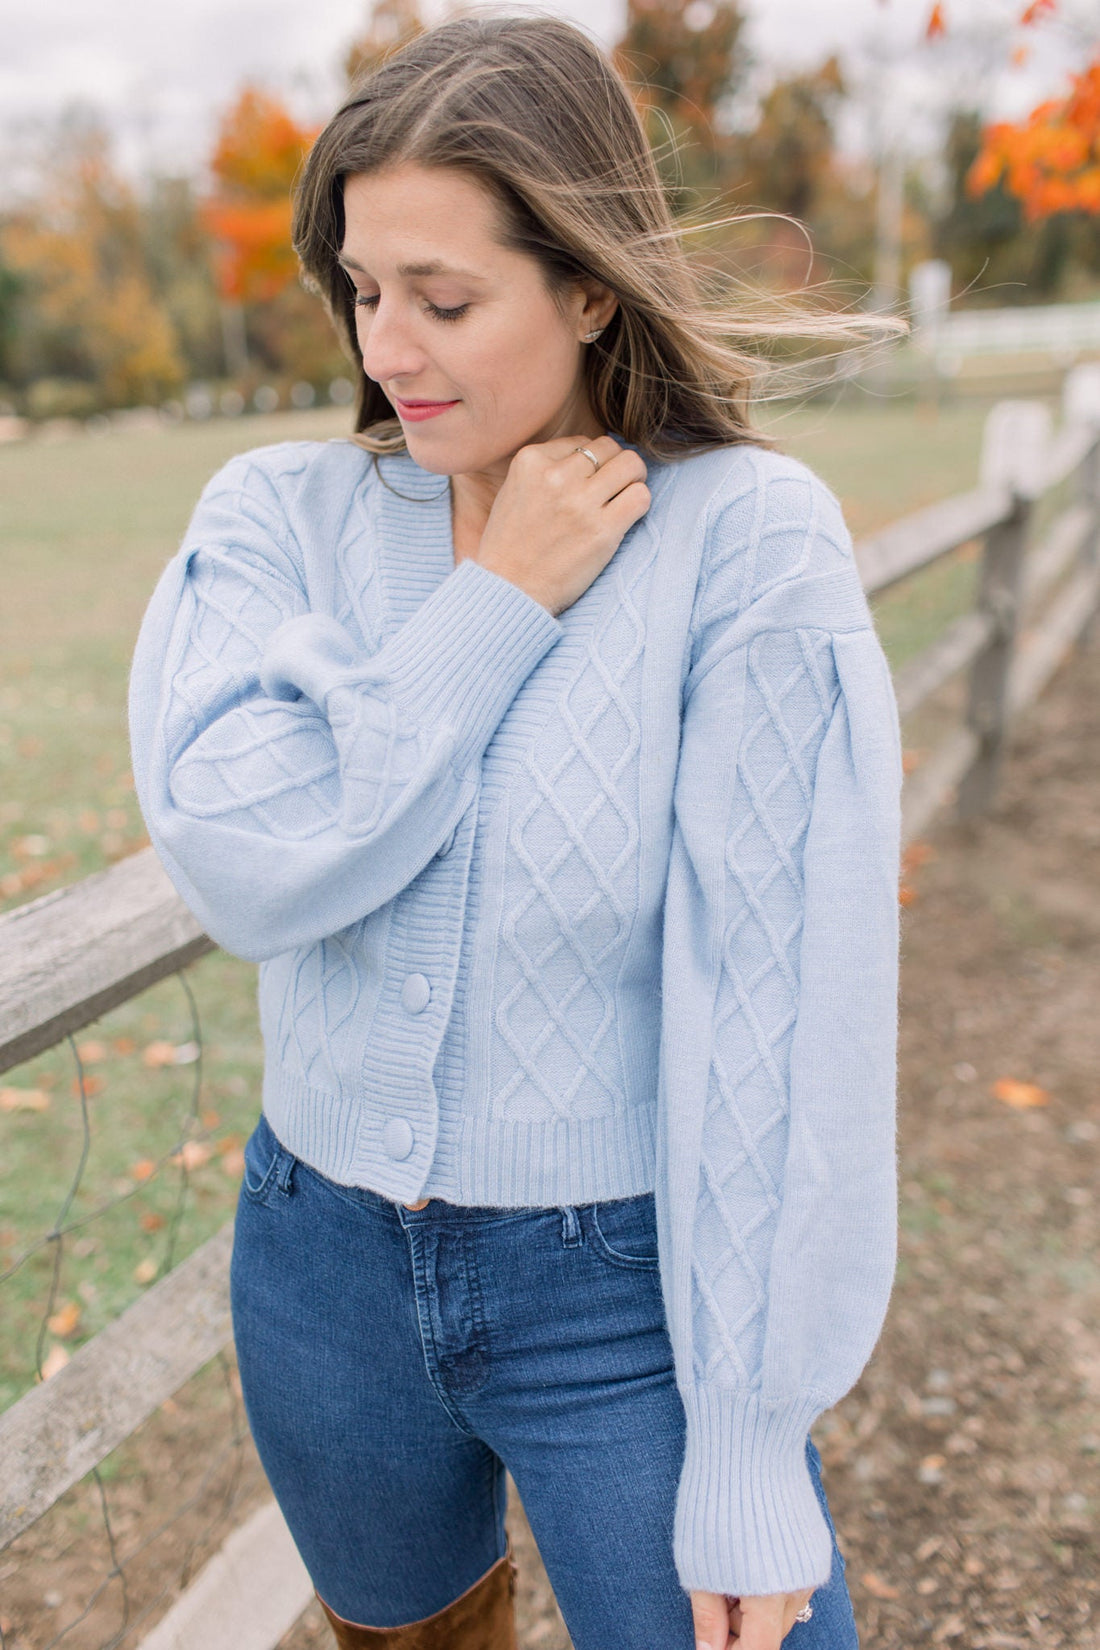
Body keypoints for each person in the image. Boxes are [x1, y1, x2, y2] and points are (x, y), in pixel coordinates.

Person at [128, 13, 905, 1650]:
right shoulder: (283, 518)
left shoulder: (746, 543)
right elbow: (247, 853)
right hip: (317, 1264)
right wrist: (497, 603)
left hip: (621, 1296)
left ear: (589, 284)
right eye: (361, 288)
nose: (387, 343)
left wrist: (753, 1440)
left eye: (446, 296)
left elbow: (781, 1012)